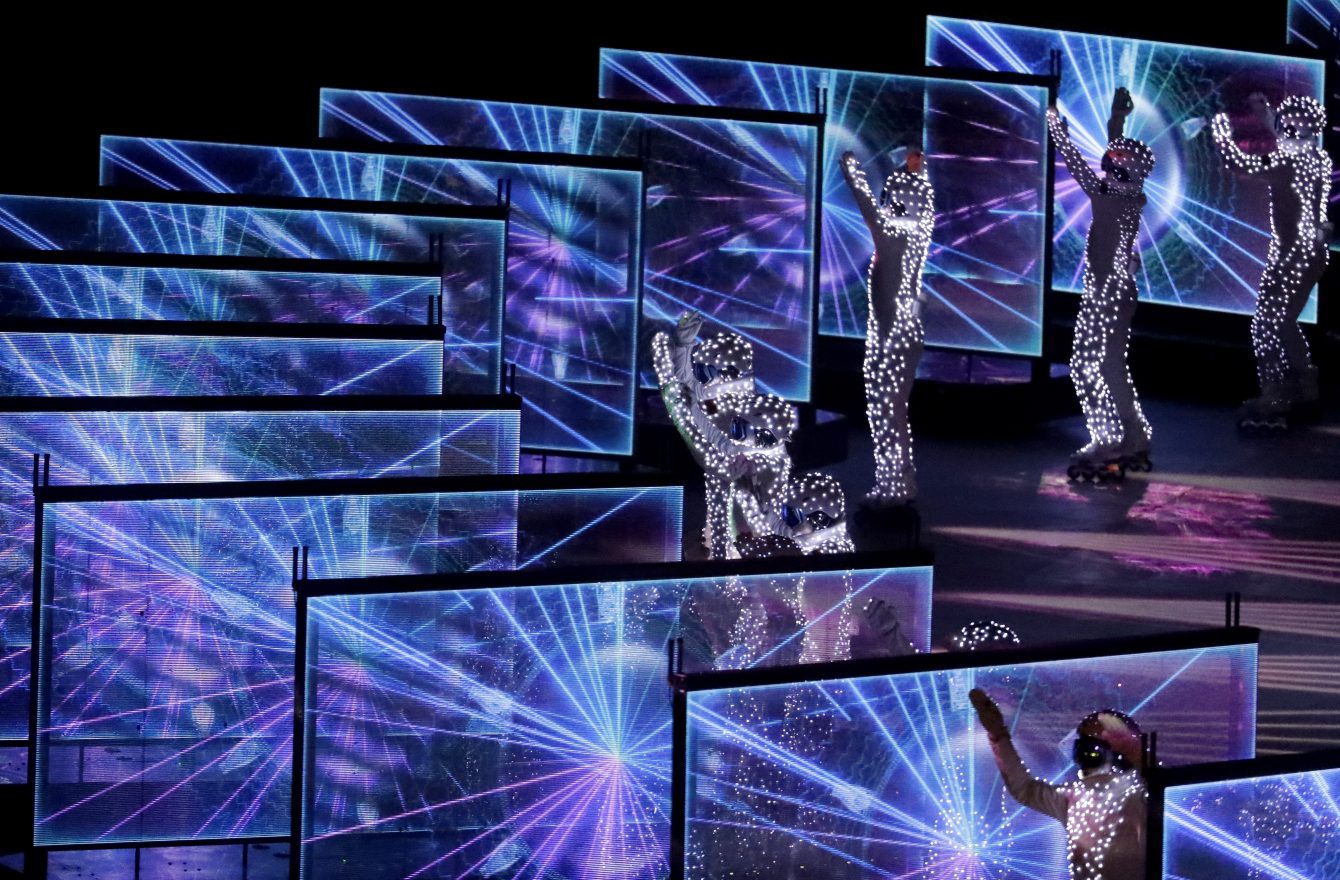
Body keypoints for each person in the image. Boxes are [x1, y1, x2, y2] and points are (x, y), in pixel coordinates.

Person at [1049, 88, 1155, 482]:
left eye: (1117, 158)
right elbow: (1116, 155)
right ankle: (1135, 434)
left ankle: (1108, 437)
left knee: (1084, 365)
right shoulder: (1128, 194)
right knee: (1111, 365)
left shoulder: (1109, 196)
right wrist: (1117, 121)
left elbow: (1078, 164)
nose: (1111, 158)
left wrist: (1056, 127)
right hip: (1117, 289)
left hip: (1106, 292)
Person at [1211, 94, 1332, 429]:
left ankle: (1276, 395)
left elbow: (1242, 164)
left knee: (1267, 325)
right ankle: (1303, 389)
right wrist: (1264, 113)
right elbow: (1286, 139)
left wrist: (1221, 133)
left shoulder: (1287, 162)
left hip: (1294, 255)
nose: (1285, 129)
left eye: (1291, 124)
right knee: (1282, 322)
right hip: (1306, 253)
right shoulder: (1317, 158)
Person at [970, 688, 1147, 880]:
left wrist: (999, 736)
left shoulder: (1138, 791)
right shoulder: (1076, 797)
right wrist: (999, 735)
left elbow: (1025, 789)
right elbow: (1025, 789)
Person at [840, 146, 933, 504]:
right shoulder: (918, 231)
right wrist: (914, 167)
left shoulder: (893, 233)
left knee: (888, 412)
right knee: (887, 411)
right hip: (892, 332)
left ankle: (897, 484)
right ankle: (893, 482)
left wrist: (852, 172)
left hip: (894, 335)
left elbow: (867, 205)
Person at [651, 312, 753, 558]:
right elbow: (682, 378)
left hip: (737, 483)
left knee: (732, 538)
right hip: (702, 476)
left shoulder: (744, 406)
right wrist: (683, 344)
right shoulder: (700, 392)